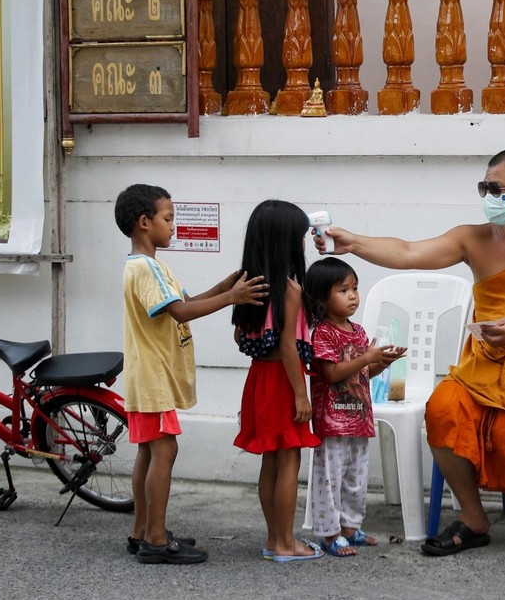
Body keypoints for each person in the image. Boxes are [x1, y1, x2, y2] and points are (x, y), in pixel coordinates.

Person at [316, 149, 505, 561]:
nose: (487, 196)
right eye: (483, 187)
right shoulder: (473, 239)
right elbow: (407, 251)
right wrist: (354, 243)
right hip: (485, 363)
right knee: (443, 408)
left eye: (496, 189)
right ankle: (473, 518)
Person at [114, 183, 268, 565]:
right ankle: (155, 538)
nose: (174, 226)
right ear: (144, 222)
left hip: (147, 376)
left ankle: (141, 531)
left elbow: (184, 303)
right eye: (168, 219)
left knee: (149, 453)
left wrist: (225, 286)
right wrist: (233, 298)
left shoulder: (148, 265)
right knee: (164, 450)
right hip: (154, 377)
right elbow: (181, 314)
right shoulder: (145, 268)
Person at [232, 199, 324, 563]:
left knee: (270, 461)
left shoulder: (249, 285)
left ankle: (274, 539)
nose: (303, 243)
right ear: (285, 240)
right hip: (284, 382)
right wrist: (301, 395)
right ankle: (286, 542)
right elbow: (289, 347)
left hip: (258, 380)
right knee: (289, 462)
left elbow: (241, 338)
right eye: (300, 236)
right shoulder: (290, 290)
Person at [302, 257, 406, 556]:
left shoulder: (358, 332)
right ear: (322, 298)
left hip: (358, 417)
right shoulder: (322, 332)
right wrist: (367, 358)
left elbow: (360, 374)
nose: (353, 296)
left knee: (356, 479)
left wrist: (380, 364)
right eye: (343, 290)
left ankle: (350, 527)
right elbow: (332, 373)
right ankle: (330, 533)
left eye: (355, 288)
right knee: (329, 479)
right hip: (333, 421)